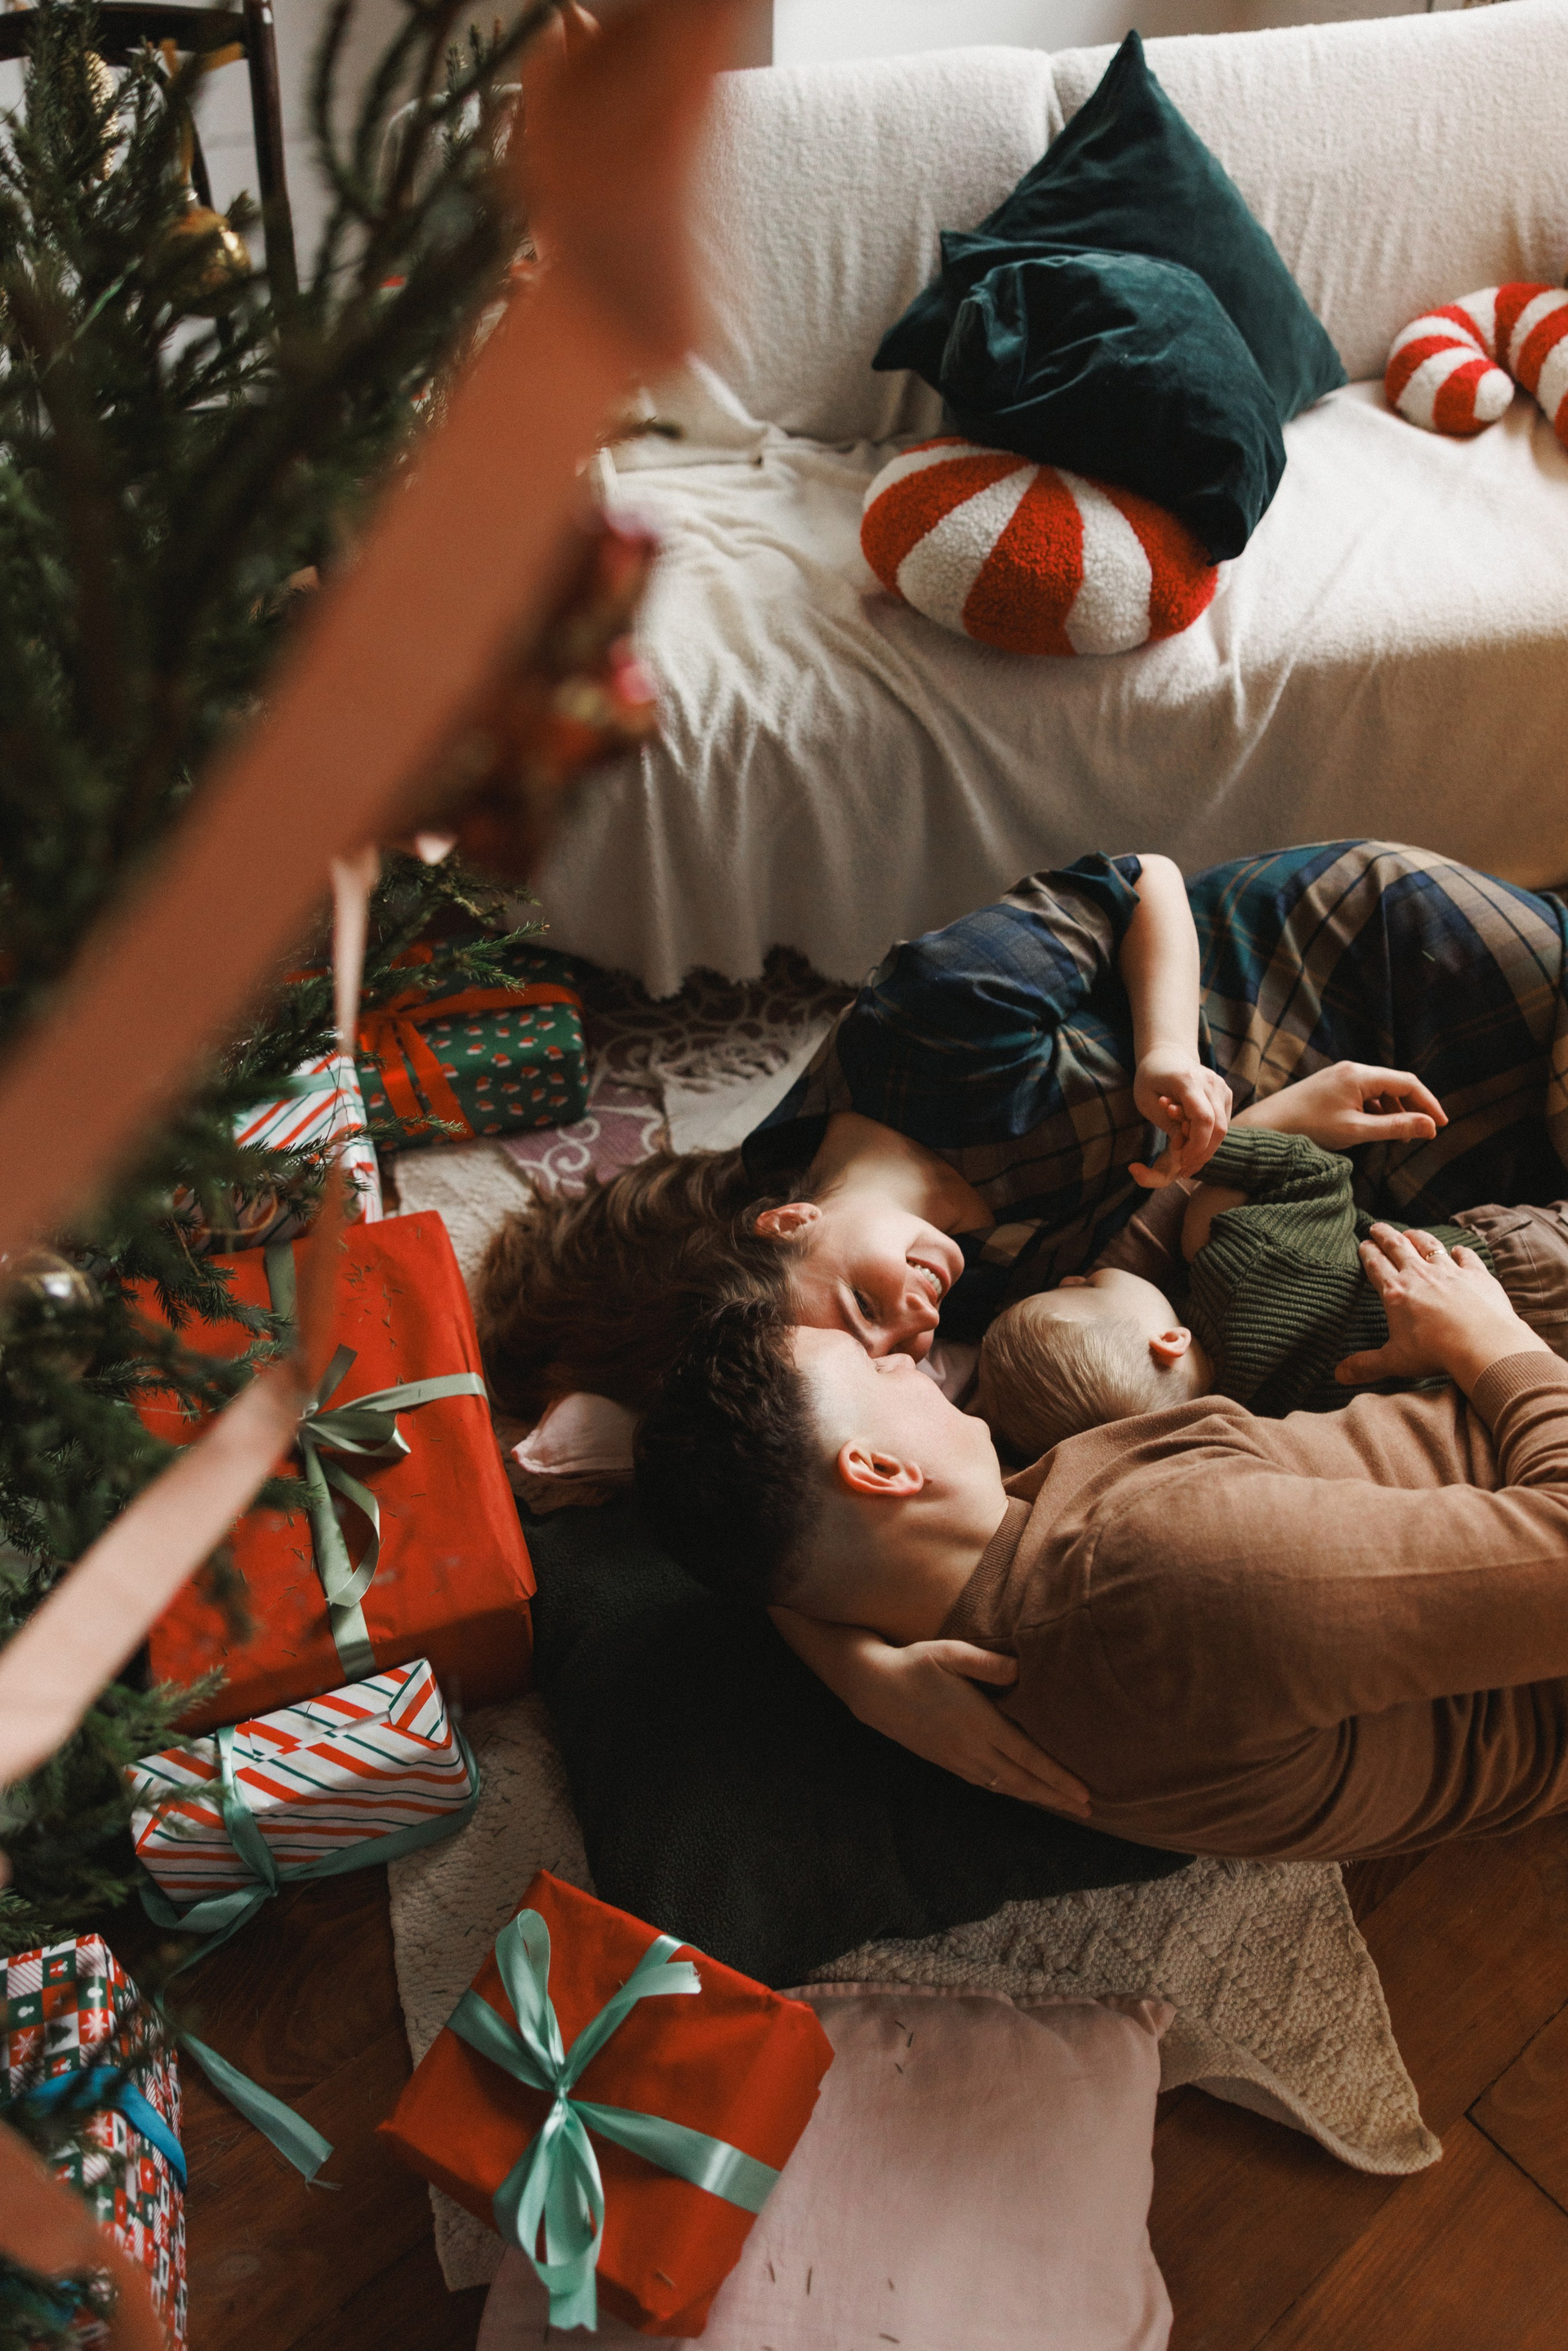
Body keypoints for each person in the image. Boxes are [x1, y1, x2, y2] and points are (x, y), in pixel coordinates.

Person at [482, 839, 1568, 1814]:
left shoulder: (929, 1030)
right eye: (888, 1357)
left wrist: (1167, 1054)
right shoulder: (975, 1315)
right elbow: (771, 1490)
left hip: (1334, 976)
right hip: (1321, 1172)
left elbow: (1143, 878)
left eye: (861, 1314)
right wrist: (860, 1675)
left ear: (787, 1219)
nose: (914, 1339)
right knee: (1476, 1258)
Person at [635, 1230, 1568, 1862]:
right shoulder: (1176, 1570)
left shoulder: (935, 1623)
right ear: (881, 1469)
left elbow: (776, 1557)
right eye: (874, 1367)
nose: (908, 1356)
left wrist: (855, 1673)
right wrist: (1488, 1335)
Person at [975, 1060, 1568, 1458]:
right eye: (1079, 1288)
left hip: (1515, 1382)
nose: (1075, 1274)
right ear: (1169, 1341)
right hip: (1508, 1270)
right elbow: (1317, 1176)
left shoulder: (1261, 1424)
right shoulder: (1237, 1264)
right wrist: (1204, 1155)